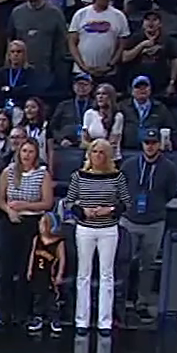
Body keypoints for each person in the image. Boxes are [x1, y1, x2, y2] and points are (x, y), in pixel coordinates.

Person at [67, 138, 129, 336]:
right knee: (83, 275)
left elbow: (126, 203)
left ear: (108, 155)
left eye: (102, 152)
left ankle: (105, 322)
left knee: (106, 275)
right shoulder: (78, 176)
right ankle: (81, 320)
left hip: (108, 230)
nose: (98, 156)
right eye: (94, 152)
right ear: (89, 154)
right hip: (85, 229)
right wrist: (83, 211)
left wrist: (108, 210)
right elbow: (69, 202)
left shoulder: (117, 177)